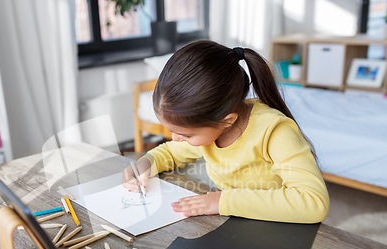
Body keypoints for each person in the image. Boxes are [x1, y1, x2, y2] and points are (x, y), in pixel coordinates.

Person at [122, 40, 329, 223]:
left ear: (227, 121)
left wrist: (223, 201)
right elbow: (170, 152)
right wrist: (146, 163)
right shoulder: (213, 129)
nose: (176, 139)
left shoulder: (275, 132)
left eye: (186, 135)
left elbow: (313, 202)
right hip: (237, 221)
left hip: (278, 227)